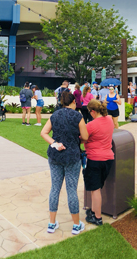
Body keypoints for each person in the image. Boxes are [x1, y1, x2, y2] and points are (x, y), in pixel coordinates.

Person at [40, 91, 89, 235]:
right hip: (72, 157)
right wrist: (74, 140)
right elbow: (85, 136)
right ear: (73, 102)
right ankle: (75, 225)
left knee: (55, 188)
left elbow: (43, 133)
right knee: (71, 190)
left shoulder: (55, 115)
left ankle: (51, 223)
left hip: (55, 156)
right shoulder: (78, 116)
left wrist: (55, 143)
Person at [83, 99, 116, 226]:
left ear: (92, 112)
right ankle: (93, 210)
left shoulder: (91, 125)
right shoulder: (109, 120)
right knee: (96, 187)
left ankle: (97, 217)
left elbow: (82, 138)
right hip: (108, 158)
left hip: (95, 159)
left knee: (95, 189)